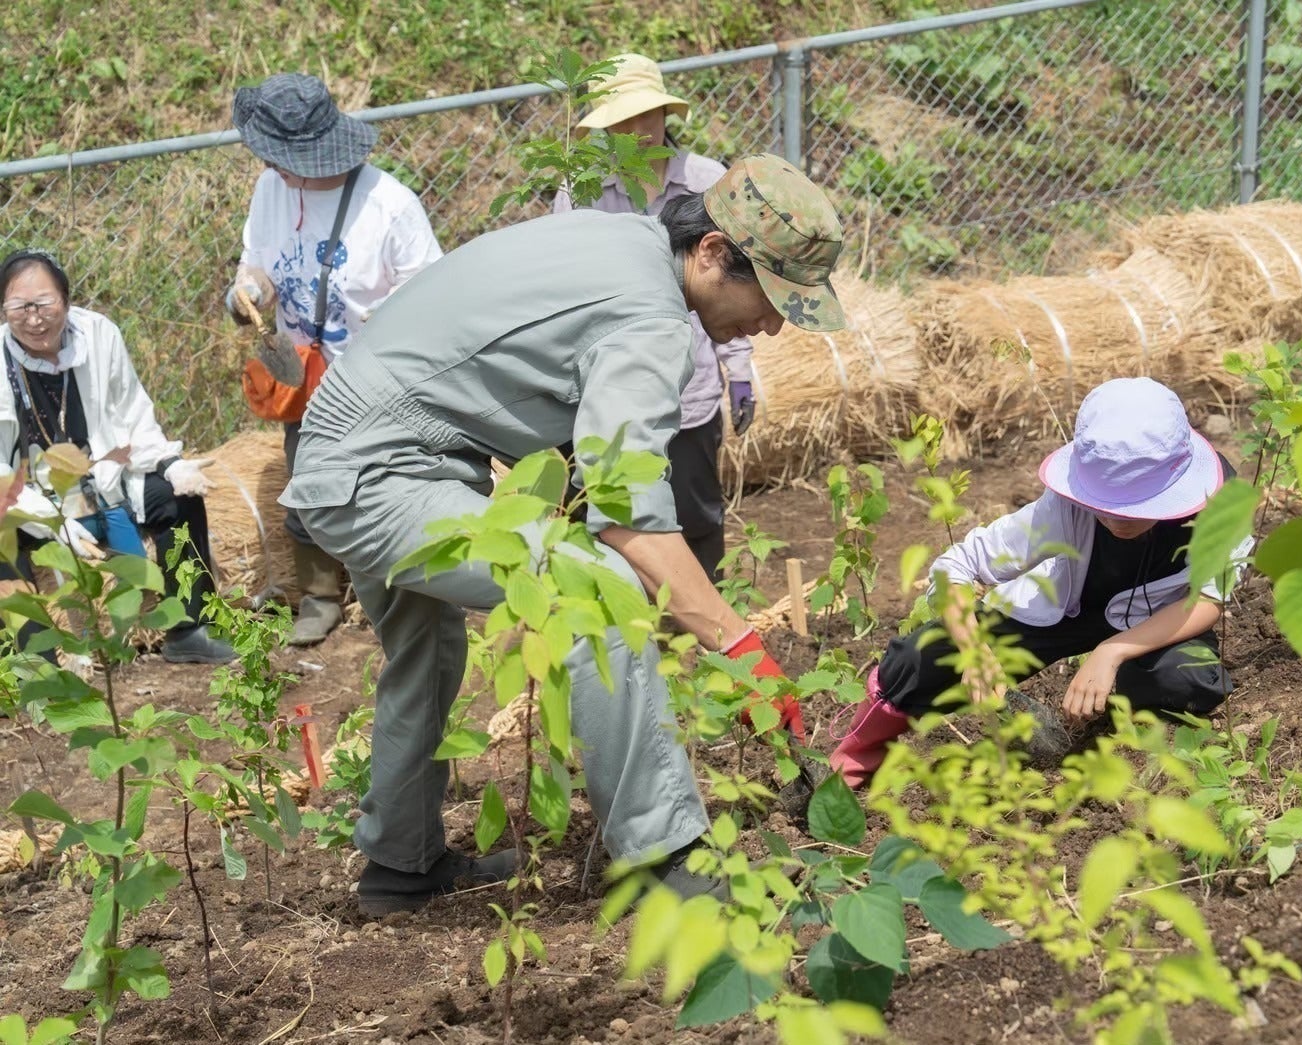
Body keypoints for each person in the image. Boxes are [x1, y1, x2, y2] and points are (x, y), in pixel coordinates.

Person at [280, 153, 844, 915]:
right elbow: (630, 522)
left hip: (355, 450)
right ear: (712, 252)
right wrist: (741, 647)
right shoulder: (650, 317)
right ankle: (664, 860)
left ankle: (400, 864)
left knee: (426, 648)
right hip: (381, 471)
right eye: (770, 296)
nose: (772, 323)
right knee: (597, 590)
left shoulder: (613, 241)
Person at [830, 377, 1253, 787]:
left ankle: (1130, 738)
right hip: (1070, 605)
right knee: (923, 654)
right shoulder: (1065, 507)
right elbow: (955, 567)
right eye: (1107, 507)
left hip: (1161, 620)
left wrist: (1112, 652)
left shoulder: (1221, 502)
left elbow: (1208, 599)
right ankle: (854, 760)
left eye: (1135, 507)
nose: (1118, 521)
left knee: (1182, 678)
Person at [226, 72, 443, 646]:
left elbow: (432, 290)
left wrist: (389, 321)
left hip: (380, 380)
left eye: (283, 158)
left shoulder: (389, 205)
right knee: (308, 485)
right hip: (306, 377)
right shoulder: (272, 189)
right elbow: (259, 265)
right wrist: (250, 290)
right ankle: (320, 597)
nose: (275, 168)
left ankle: (397, 594)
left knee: (382, 487)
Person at [552, 53, 756, 579]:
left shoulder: (710, 185)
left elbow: (737, 287)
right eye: (620, 120)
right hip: (604, 390)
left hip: (688, 390)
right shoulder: (582, 194)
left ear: (666, 114)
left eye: (644, 115)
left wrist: (739, 369)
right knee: (608, 512)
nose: (635, 130)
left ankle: (703, 623)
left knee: (696, 513)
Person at [0, 249, 236, 664]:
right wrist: (49, 520)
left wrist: (169, 463)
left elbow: (132, 414)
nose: (35, 319)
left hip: (102, 483)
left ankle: (190, 628)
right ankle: (35, 667)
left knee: (176, 497)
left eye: (45, 303)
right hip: (25, 494)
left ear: (67, 300)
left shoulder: (99, 334)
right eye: (20, 307)